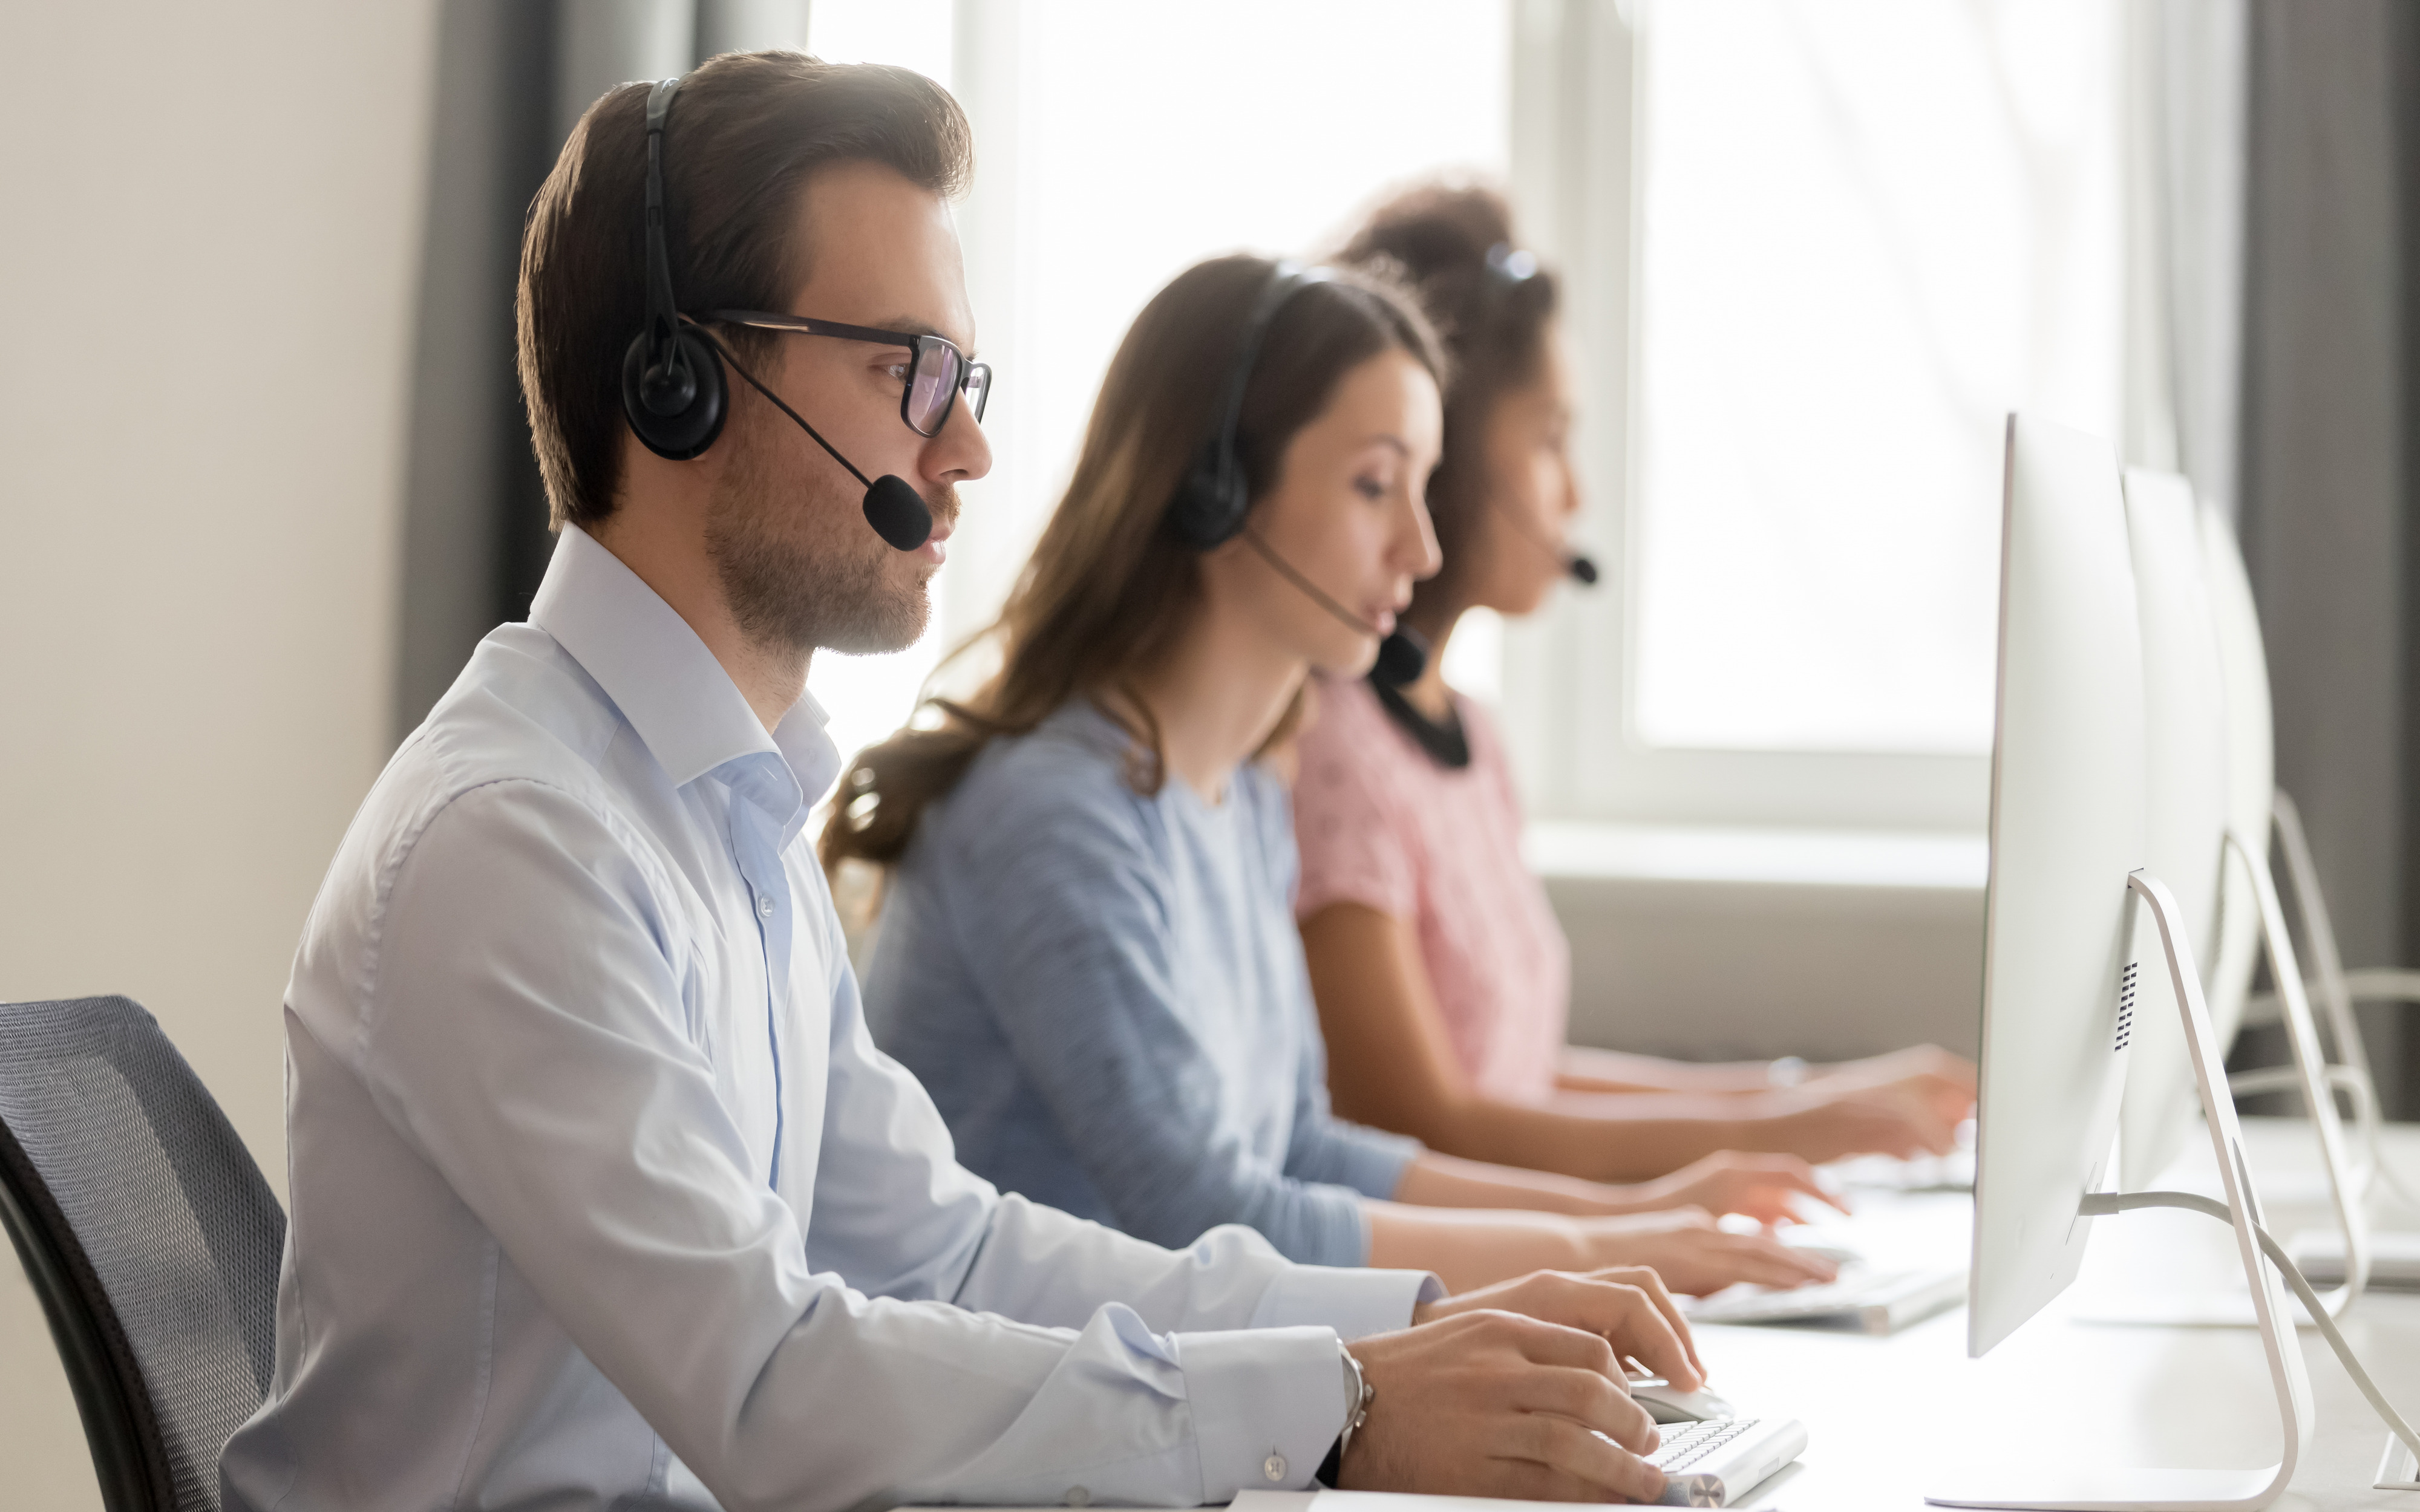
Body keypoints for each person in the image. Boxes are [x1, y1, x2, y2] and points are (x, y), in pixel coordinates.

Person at [219, 55, 1718, 1511]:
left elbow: (946, 1251)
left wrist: (1424, 1322)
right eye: (906, 372)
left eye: (963, 375)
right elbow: (767, 1383)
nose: (971, 445)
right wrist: (1338, 1409)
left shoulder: (716, 812)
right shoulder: (514, 839)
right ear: (681, 383)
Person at [837, 250, 1844, 1303]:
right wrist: (1597, 1254)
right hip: (1033, 1434)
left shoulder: (1243, 798)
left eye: (1422, 489)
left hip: (1171, 1406)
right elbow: (1211, 1212)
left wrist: (1647, 1219)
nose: (1419, 547)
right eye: (1375, 485)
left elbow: (1307, 1149)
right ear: (1215, 490)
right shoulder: (1053, 815)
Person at [1287, 183, 1977, 1188]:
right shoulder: (1333, 750)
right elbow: (1427, 1125)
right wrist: (1795, 1129)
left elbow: (1519, 1082)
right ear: (1449, 457)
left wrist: (1819, 1102)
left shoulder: (1470, 735)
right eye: (1550, 439)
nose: (1576, 495)